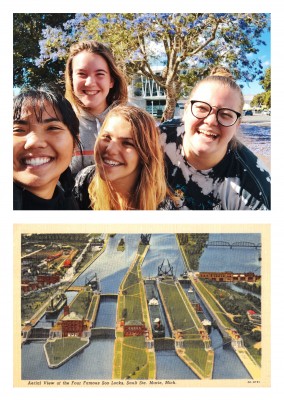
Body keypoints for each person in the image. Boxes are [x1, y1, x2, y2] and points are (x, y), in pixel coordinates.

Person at [160, 66, 271, 210]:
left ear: (237, 124)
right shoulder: (156, 139)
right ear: (186, 111)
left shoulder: (255, 191)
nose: (211, 121)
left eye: (225, 114)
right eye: (202, 108)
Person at [73, 105, 182, 210]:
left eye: (127, 143)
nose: (110, 149)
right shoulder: (84, 182)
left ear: (145, 154)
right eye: (107, 137)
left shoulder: (164, 210)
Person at [65, 40, 128, 175]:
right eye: (82, 74)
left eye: (100, 74)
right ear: (71, 79)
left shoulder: (132, 123)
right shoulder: (60, 124)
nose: (90, 82)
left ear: (111, 81)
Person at [13, 86, 81, 210]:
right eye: (18, 130)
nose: (34, 142)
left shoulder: (70, 205)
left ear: (74, 144)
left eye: (52, 128)